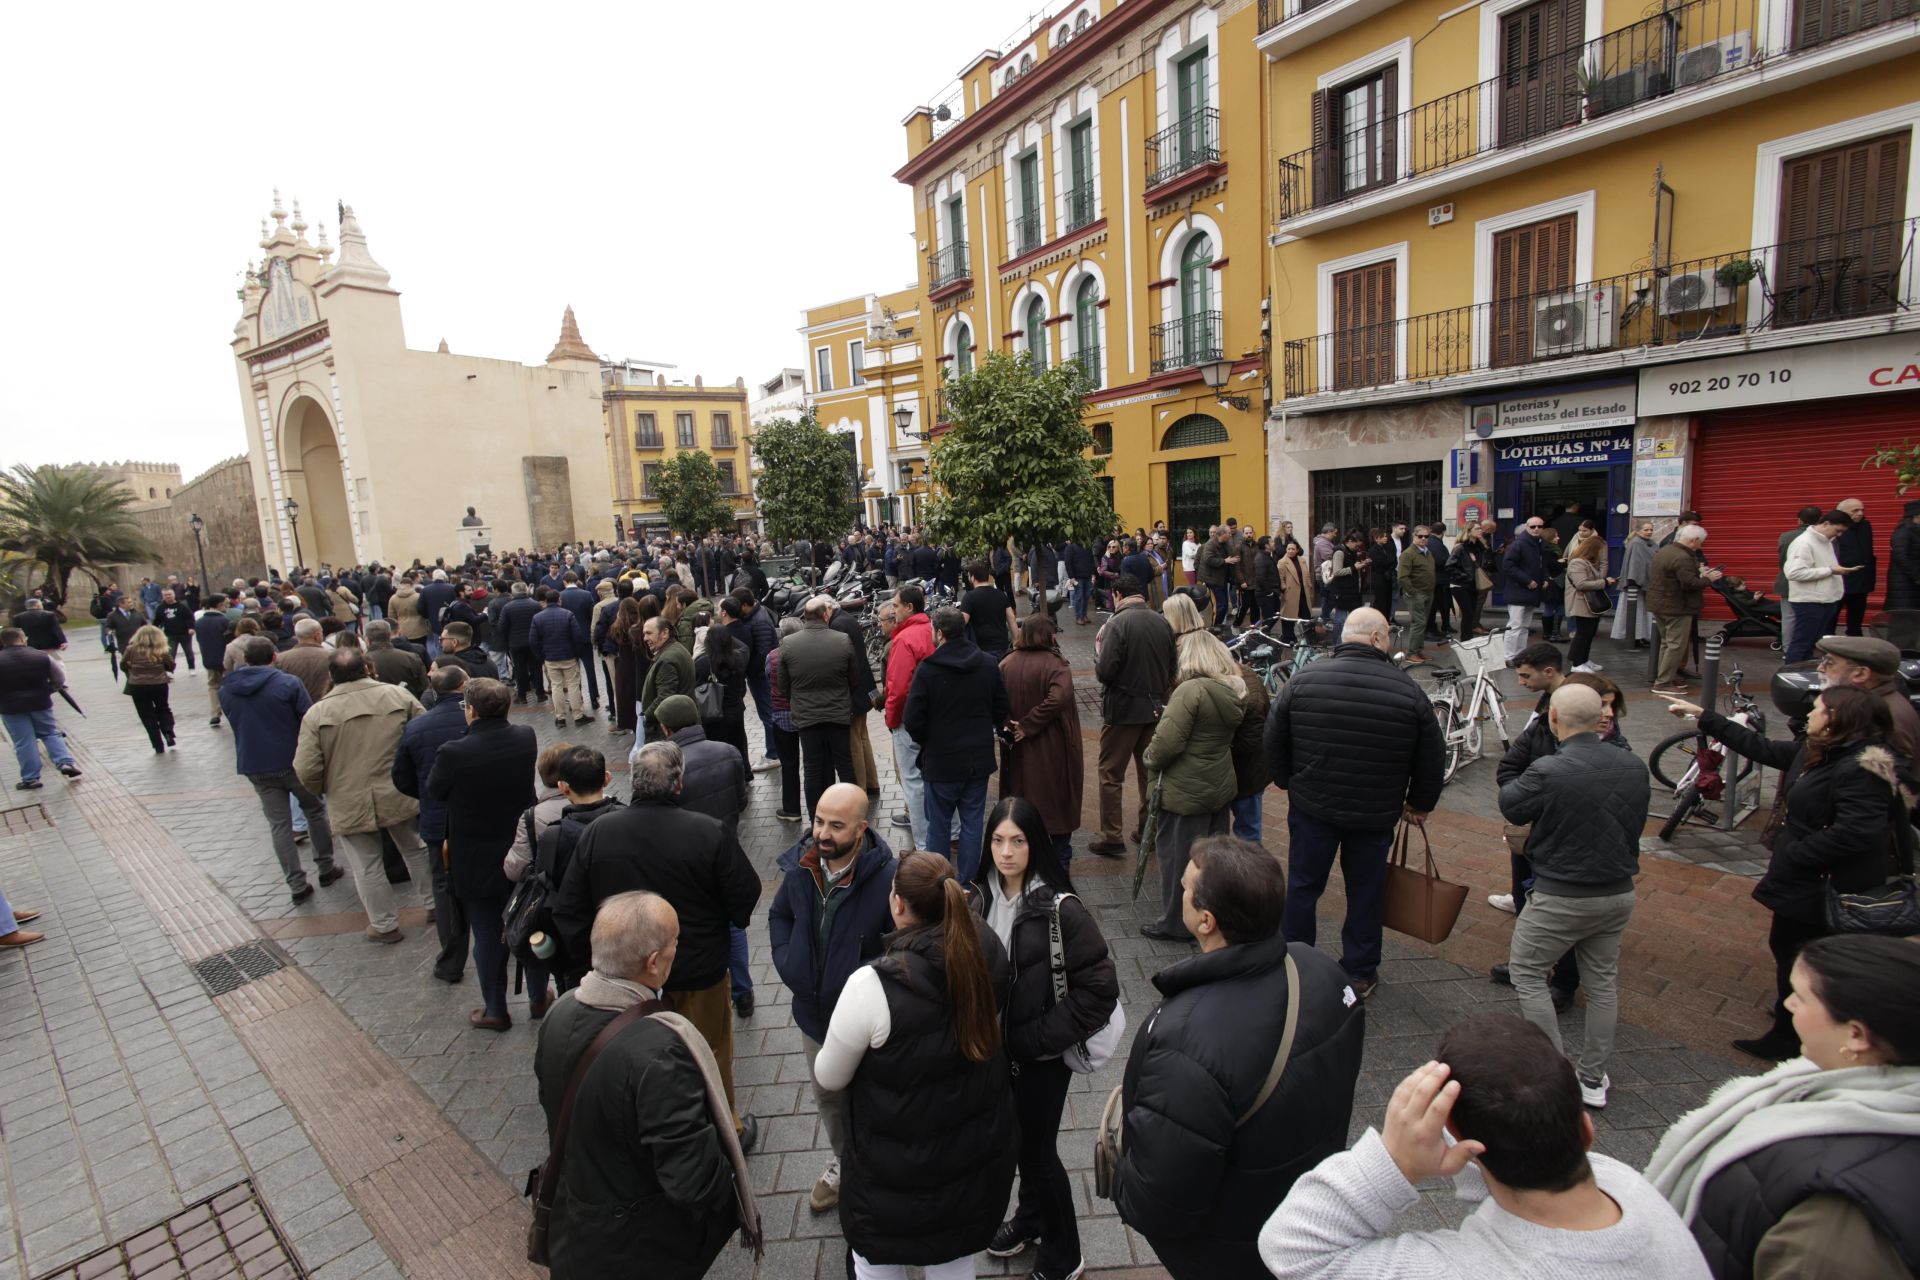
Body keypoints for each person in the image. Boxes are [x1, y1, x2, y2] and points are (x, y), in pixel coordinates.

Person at [1261, 1012, 1711, 1280]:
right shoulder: (1629, 1188)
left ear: (1465, 1144)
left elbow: (1294, 1247)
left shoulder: (1462, 1272)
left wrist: (1395, 1160)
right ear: (1586, 1131)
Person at [1113, 837, 1367, 1279]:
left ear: (1206, 921)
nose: (1179, 888)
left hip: (1232, 1245)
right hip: (1304, 1211)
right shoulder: (1324, 971)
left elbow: (1161, 1199)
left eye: (1186, 886)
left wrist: (1120, 1180)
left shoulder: (1188, 1042)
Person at [1657, 683, 1910, 1062]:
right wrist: (1704, 717)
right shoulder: (1824, 752)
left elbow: (1858, 832)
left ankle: (1792, 1035)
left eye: (1818, 709)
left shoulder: (1860, 769)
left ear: (1838, 719)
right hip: (1806, 881)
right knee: (1789, 947)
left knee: (1803, 954)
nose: (1810, 715)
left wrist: (1797, 853)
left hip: (1824, 887)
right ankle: (1793, 1014)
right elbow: (1763, 749)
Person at [1645, 935, 1920, 1279]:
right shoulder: (1820, 1083)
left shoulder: (1836, 1220)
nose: (1787, 1004)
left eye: (1801, 998)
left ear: (1856, 1035)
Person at [813, 850, 1016, 1280]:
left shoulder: (872, 985)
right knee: (955, 1264)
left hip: (889, 1178)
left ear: (898, 904)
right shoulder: (986, 948)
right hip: (968, 1161)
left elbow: (829, 1075)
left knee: (876, 1267)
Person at [552, 741, 763, 1150]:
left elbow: (569, 908)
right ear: (679, 783)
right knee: (708, 1051)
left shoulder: (598, 833)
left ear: (634, 782)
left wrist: (595, 961)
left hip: (625, 979)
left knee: (632, 1056)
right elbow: (745, 896)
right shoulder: (707, 831)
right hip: (697, 971)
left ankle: (643, 1134)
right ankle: (725, 1129)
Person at [532, 891, 751, 1280]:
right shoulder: (661, 1052)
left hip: (575, 1227)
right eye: (675, 942)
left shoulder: (559, 1011)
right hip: (637, 1246)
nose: (677, 950)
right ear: (653, 963)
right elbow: (693, 1182)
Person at [972, 797, 1118, 1280]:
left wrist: (1036, 1040)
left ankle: (1064, 1254)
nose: (1006, 852)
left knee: (1037, 1154)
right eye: (998, 840)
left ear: (1034, 844)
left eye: (1018, 841)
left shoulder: (1060, 909)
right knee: (1019, 1146)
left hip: (1041, 1057)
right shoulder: (978, 897)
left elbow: (1100, 990)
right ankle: (1031, 1218)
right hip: (997, 1054)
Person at [1264, 607, 1443, 999]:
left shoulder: (1304, 679)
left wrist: (1286, 779)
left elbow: (1274, 736)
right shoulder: (1407, 691)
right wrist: (1419, 802)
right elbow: (1431, 754)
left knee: (1303, 885)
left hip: (1313, 805)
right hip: (1374, 812)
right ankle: (1360, 970)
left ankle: (1295, 960)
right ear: (1378, 638)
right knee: (1366, 890)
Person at [1496, 684, 1650, 1108]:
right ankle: (1592, 1077)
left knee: (1527, 972)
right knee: (1602, 983)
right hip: (1617, 892)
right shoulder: (1633, 765)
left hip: (1560, 894)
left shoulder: (1548, 770)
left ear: (1553, 718)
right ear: (1602, 717)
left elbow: (1511, 804)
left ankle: (1555, 1074)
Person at [767, 781, 899, 1214]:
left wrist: (871, 991)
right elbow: (780, 913)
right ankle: (845, 1162)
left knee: (876, 1099)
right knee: (828, 1096)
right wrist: (788, 962)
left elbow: (902, 947)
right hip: (814, 1017)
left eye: (836, 825)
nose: (822, 833)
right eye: (819, 821)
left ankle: (880, 1168)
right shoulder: (802, 865)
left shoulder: (889, 878)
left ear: (862, 829)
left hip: (866, 1024)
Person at [293, 648, 431, 945]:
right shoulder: (397, 696)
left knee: (366, 864)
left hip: (348, 796)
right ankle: (435, 905)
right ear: (366, 668)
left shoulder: (317, 713)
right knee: (416, 849)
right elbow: (424, 737)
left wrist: (325, 788)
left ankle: (384, 924)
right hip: (398, 789)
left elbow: (306, 767)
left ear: (331, 675)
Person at [1141, 605, 1243, 942]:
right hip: (1218, 784)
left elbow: (1166, 744)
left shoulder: (1191, 690)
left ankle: (1175, 922)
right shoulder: (1233, 690)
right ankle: (1213, 916)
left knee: (1177, 859)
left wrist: (1149, 757)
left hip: (1185, 790)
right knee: (1212, 861)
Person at [220, 635, 340, 902]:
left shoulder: (227, 688)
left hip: (255, 763)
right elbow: (307, 719)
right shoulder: (288, 683)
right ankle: (326, 866)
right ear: (274, 656)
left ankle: (296, 883)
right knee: (315, 811)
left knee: (279, 824)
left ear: (245, 659)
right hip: (292, 759)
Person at [657, 690, 755, 1018]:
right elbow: (741, 801)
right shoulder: (728, 752)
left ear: (667, 728)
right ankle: (743, 991)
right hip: (727, 850)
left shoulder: (669, 766)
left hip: (687, 861)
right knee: (733, 924)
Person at [905, 606, 1009, 882]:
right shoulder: (987, 663)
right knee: (972, 823)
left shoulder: (928, 670)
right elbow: (1001, 707)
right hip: (977, 759)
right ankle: (968, 881)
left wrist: (927, 740)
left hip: (940, 761)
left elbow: (913, 719)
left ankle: (939, 882)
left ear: (939, 633)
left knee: (938, 826)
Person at [392, 665, 475, 983]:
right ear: (463, 686)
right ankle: (503, 939)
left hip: (439, 822)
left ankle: (451, 961)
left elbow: (402, 777)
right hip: (479, 819)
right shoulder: (477, 720)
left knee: (444, 888)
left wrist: (428, 796)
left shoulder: (416, 727)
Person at [1090, 574, 1175, 856]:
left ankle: (1112, 835)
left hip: (1123, 710)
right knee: (1149, 773)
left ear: (1117, 594)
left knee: (1111, 774)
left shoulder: (1117, 623)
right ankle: (1147, 831)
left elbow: (1105, 671)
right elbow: (1172, 668)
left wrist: (1098, 661)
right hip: (1155, 708)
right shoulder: (1162, 621)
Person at [997, 613, 1082, 864]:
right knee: (1055, 811)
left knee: (1019, 807)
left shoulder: (1006, 663)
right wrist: (1028, 724)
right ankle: (1058, 874)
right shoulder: (1056, 664)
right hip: (1052, 748)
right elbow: (1059, 697)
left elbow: (995, 701)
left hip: (1017, 749)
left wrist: (1010, 726)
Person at [779, 596, 861, 818]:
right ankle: (853, 813)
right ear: (825, 615)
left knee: (812, 769)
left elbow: (783, 686)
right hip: (837, 713)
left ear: (804, 617)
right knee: (845, 765)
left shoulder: (789, 643)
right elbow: (854, 680)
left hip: (807, 717)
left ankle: (816, 817)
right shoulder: (842, 640)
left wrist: (798, 702)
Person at [0, 627, 82, 792]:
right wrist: (49, 690)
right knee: (50, 733)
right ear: (22, 639)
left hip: (10, 707)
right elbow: (59, 679)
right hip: (40, 702)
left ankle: (31, 778)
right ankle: (65, 762)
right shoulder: (41, 656)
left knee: (24, 741)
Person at [1813, 633, 1920, 757]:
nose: (1820, 668)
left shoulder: (1883, 718)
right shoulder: (1864, 703)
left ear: (1861, 674)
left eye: (1829, 663)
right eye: (1823, 661)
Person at [1648, 524, 1722, 693]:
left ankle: (1665, 676)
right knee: (1675, 645)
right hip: (1677, 606)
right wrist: (1708, 579)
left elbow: (1674, 577)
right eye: (1701, 542)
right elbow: (1689, 584)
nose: (1701, 546)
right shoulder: (1683, 557)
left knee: (1667, 643)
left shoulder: (1665, 551)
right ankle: (1663, 682)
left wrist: (1699, 574)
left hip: (1661, 603)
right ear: (1694, 540)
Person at [1783, 509, 1860, 664]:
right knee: (1802, 642)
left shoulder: (1826, 541)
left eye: (1842, 532)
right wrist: (1831, 570)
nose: (1839, 535)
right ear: (1826, 523)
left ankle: (1804, 670)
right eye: (1837, 530)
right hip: (1810, 601)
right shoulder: (1803, 543)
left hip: (1825, 600)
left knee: (1811, 643)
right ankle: (1791, 673)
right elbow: (1794, 573)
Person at [1561, 528, 1614, 672]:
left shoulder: (1587, 562)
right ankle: (1577, 664)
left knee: (1589, 633)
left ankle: (1583, 659)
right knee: (1583, 633)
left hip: (1588, 602)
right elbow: (1581, 584)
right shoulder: (1577, 563)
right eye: (1601, 551)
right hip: (1581, 602)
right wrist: (1604, 582)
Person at [1775, 505, 1823, 657]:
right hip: (1813, 582)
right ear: (1820, 520)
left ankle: (1788, 650)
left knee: (1789, 617)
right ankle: (1807, 648)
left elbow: (1782, 561)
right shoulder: (1823, 538)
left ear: (1799, 520)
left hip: (1788, 581)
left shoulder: (1785, 536)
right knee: (1810, 617)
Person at [121, 624, 177, 753]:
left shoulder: (131, 649)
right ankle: (168, 732)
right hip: (159, 683)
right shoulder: (161, 650)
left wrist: (131, 669)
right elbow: (171, 665)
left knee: (146, 715)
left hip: (137, 685)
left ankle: (157, 744)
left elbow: (123, 665)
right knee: (163, 708)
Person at [639, 613, 694, 741]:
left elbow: (664, 698)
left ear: (664, 633)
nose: (645, 638)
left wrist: (646, 715)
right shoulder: (674, 649)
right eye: (644, 634)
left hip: (668, 730)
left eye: (649, 633)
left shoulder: (667, 660)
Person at [1501, 516, 1549, 660]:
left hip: (1531, 592)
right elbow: (1508, 565)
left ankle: (1520, 654)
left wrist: (1545, 579)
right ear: (1527, 527)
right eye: (1533, 526)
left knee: (1524, 626)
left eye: (1539, 526)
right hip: (1518, 591)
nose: (1536, 529)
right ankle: (1509, 656)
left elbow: (1541, 565)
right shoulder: (1519, 544)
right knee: (1515, 626)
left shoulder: (1539, 543)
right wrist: (1527, 580)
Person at [1833, 497, 1876, 637]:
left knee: (1857, 616)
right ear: (1842, 512)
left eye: (1862, 510)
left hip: (1861, 579)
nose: (1860, 513)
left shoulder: (1865, 526)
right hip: (1840, 578)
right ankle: (1827, 640)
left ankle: (1855, 638)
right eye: (1855, 510)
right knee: (1831, 615)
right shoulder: (1834, 527)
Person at [1611, 520, 1658, 646]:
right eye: (1646, 530)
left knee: (1643, 613)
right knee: (1637, 612)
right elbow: (1635, 564)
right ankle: (1636, 637)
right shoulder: (1636, 543)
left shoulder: (1650, 543)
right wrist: (1635, 580)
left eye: (1651, 530)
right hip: (1636, 585)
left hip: (1645, 583)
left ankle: (1642, 635)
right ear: (1638, 531)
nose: (1649, 532)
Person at [498, 582, 545, 703]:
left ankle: (522, 696)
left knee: (519, 669)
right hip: (533, 642)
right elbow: (541, 622)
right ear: (526, 590)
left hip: (515, 643)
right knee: (536, 668)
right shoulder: (535, 605)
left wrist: (506, 641)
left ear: (513, 592)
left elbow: (501, 627)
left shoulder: (507, 607)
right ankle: (540, 693)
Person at [1396, 525, 1437, 664]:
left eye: (1426, 536)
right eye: (1420, 536)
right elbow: (1402, 577)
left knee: (1423, 622)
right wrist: (1413, 592)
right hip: (1416, 594)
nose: (1423, 539)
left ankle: (1418, 650)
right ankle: (1411, 653)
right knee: (1418, 623)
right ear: (1414, 536)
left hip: (1428, 592)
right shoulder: (1408, 554)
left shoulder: (1427, 552)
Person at [961, 558, 1015, 657]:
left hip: (981, 650)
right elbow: (1011, 618)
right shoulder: (1001, 594)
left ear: (973, 577)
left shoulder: (969, 597)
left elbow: (962, 622)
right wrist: (1016, 642)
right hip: (1002, 646)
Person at [274, 617, 333, 703]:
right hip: (325, 704)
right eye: (321, 632)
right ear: (317, 636)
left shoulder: (280, 659)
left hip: (295, 706)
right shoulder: (332, 657)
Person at [362, 619, 426, 698]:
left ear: (367, 640)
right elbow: (424, 689)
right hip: (408, 702)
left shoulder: (362, 664)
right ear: (389, 636)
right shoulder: (412, 658)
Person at [193, 595, 231, 728]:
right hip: (225, 658)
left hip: (209, 659)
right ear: (219, 605)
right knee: (229, 684)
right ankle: (230, 710)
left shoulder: (199, 622)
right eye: (226, 604)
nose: (227, 606)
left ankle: (215, 713)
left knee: (213, 685)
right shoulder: (224, 621)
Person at [1887, 498, 1920, 609]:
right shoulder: (1903, 531)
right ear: (1916, 515)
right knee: (1904, 614)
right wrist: (1916, 576)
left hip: (1912, 582)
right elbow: (1900, 556)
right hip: (1904, 583)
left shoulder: (1915, 530)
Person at [1366, 527, 1396, 618]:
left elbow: (1394, 560)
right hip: (1379, 577)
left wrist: (1389, 561)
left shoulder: (1387, 548)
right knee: (1381, 600)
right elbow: (1381, 562)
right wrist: (1389, 561)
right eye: (1383, 537)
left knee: (1388, 599)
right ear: (1376, 539)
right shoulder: (1373, 550)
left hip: (1388, 577)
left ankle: (1387, 618)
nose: (1385, 538)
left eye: (1386, 536)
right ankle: (1379, 618)